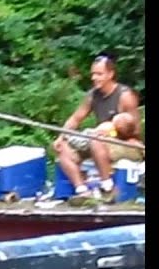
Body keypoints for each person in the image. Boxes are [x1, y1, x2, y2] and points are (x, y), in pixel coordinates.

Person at [53, 54, 142, 204]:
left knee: (96, 140)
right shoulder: (92, 95)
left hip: (126, 143)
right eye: (93, 74)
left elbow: (135, 130)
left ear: (110, 74)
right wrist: (61, 137)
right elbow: (75, 118)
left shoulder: (125, 96)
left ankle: (108, 187)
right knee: (64, 149)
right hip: (99, 141)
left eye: (99, 74)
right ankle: (82, 190)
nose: (94, 78)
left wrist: (113, 131)